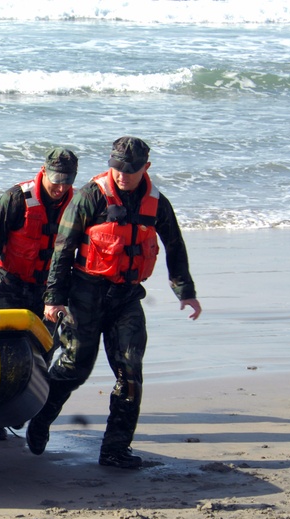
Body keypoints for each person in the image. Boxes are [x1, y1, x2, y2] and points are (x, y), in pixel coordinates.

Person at [26, 137, 202, 469]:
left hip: (126, 298)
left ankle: (115, 450)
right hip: (85, 295)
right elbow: (62, 250)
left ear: (145, 168)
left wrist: (185, 291)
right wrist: (53, 299)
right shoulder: (91, 197)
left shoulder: (156, 203)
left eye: (130, 170)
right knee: (74, 369)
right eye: (117, 167)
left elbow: (174, 244)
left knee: (130, 373)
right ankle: (41, 418)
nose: (122, 175)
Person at [0, 147, 79, 441]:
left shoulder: (79, 204)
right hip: (8, 283)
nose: (60, 187)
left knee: (43, 352)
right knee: (5, 353)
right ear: (43, 171)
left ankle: (24, 408)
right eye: (56, 180)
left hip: (49, 291)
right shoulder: (17, 198)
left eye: (67, 181)